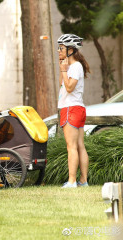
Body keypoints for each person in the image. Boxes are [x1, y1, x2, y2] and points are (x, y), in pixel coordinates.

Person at [57, 34, 90, 188]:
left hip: (71, 108)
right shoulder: (72, 66)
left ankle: (72, 181)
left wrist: (64, 71)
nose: (58, 51)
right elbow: (62, 85)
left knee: (72, 146)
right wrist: (63, 69)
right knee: (79, 145)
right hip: (76, 108)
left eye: (61, 48)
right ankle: (83, 181)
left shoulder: (75, 66)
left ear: (71, 50)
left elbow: (69, 88)